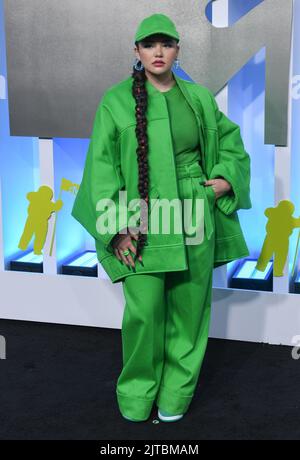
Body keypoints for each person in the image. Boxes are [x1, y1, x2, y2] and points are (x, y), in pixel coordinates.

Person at [71, 13, 252, 423]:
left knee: (190, 310)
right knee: (144, 311)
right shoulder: (116, 101)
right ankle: (137, 395)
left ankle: (176, 395)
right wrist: (116, 228)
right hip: (142, 216)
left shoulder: (198, 97)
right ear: (136, 51)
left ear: (177, 50)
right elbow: (100, 168)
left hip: (192, 211)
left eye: (166, 44)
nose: (158, 52)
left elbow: (231, 142)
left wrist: (225, 178)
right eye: (149, 44)